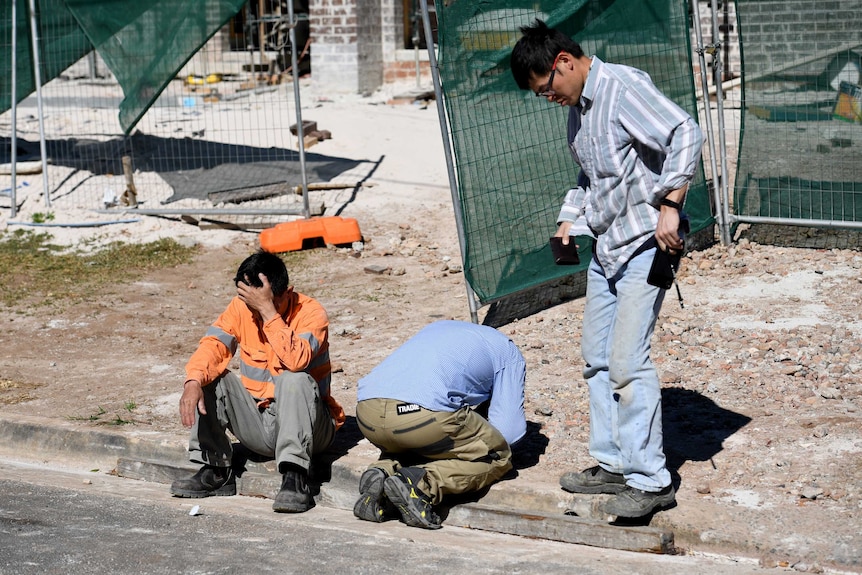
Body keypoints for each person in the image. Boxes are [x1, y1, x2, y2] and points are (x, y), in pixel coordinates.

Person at [511, 20, 704, 518]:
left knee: (627, 361)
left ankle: (651, 479)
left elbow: (685, 129)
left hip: (645, 243)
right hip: (607, 249)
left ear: (564, 63)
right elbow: (592, 174)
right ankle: (614, 463)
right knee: (596, 358)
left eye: (545, 87)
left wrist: (671, 201)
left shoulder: (621, 87)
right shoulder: (579, 110)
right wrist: (568, 219)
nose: (546, 98)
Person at [170, 250, 345, 513]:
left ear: (287, 292)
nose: (254, 310)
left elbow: (297, 360)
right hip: (261, 423)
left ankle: (295, 477)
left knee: (294, 379)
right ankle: (216, 470)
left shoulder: (312, 313)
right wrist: (192, 380)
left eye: (261, 302)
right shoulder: (241, 307)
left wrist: (268, 312)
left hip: (312, 427)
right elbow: (214, 344)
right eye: (250, 302)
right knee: (207, 374)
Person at [352, 320, 526, 530]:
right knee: (498, 456)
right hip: (422, 416)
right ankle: (421, 485)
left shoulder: (435, 328)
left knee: (421, 442)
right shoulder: (507, 350)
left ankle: (382, 473)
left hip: (367, 412)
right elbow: (510, 431)